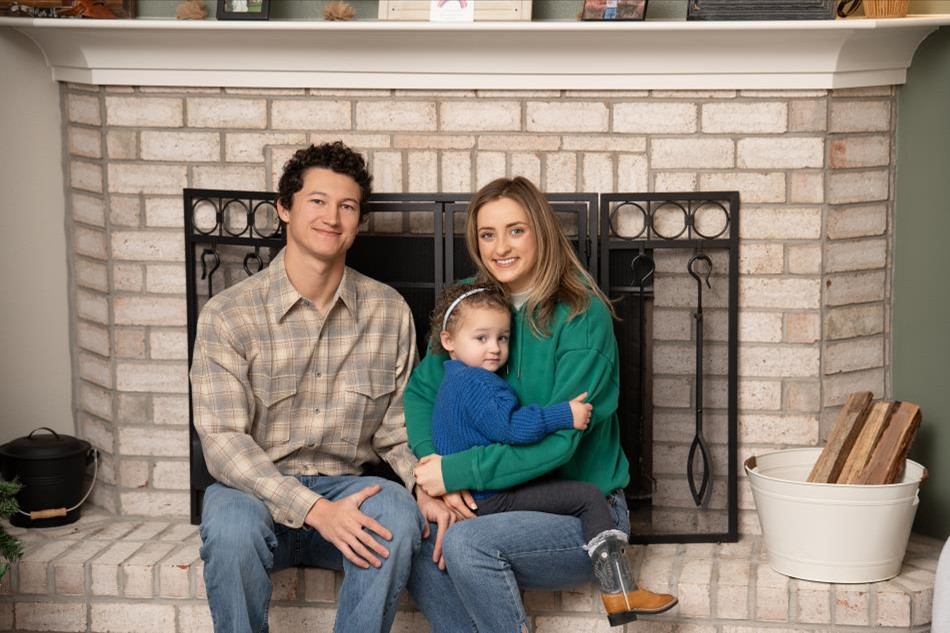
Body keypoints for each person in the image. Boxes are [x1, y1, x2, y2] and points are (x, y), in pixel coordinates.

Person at [191, 142, 475, 633]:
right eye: (317, 201)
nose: (332, 217)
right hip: (255, 492)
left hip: (350, 491)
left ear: (358, 221)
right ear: (284, 208)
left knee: (399, 513)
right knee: (231, 526)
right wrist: (315, 510)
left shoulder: (388, 311)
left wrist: (423, 483)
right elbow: (223, 442)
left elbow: (397, 429)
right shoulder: (229, 313)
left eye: (347, 206)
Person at [406, 176, 678, 630]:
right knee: (410, 538)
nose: (500, 247)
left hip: (580, 513)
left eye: (516, 230)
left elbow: (559, 442)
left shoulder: (581, 316)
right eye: (487, 234)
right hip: (495, 497)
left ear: (542, 231)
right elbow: (422, 391)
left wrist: (457, 473)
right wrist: (431, 473)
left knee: (467, 543)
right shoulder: (470, 302)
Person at [425, 279, 661, 625]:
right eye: (481, 338)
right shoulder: (477, 383)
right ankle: (620, 591)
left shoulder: (456, 378)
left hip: (477, 493)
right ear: (448, 341)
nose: (494, 349)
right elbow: (512, 427)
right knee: (587, 497)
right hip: (491, 495)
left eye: (502, 338)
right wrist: (564, 413)